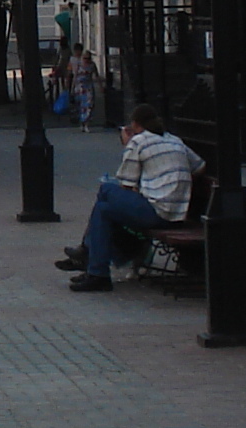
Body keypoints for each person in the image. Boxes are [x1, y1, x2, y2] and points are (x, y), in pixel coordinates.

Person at [62, 102, 202, 291]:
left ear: (135, 125)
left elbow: (126, 183)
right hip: (178, 212)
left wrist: (127, 145)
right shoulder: (175, 140)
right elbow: (200, 166)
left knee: (106, 190)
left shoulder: (139, 142)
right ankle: (95, 269)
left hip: (158, 211)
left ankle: (89, 257)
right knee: (103, 210)